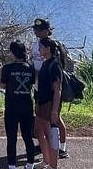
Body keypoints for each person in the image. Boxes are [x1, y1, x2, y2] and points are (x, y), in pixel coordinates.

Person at [30, 18, 69, 158]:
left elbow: (58, 68)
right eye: (35, 29)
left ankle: (62, 147)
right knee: (40, 116)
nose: (36, 32)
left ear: (47, 30)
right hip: (37, 87)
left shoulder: (55, 46)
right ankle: (43, 144)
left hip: (51, 87)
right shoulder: (35, 45)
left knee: (55, 117)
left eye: (39, 30)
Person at [0, 40, 38, 169]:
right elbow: (32, 83)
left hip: (12, 107)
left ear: (12, 53)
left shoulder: (7, 68)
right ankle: (29, 168)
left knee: (12, 139)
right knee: (28, 138)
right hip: (27, 106)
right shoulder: (30, 67)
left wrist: (0, 73)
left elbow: (3, 85)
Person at [34, 36, 63, 169]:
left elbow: (57, 90)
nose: (39, 49)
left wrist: (54, 110)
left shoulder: (55, 65)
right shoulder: (45, 63)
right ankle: (46, 160)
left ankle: (53, 167)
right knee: (39, 132)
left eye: (41, 47)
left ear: (48, 48)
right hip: (41, 102)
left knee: (50, 134)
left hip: (49, 104)